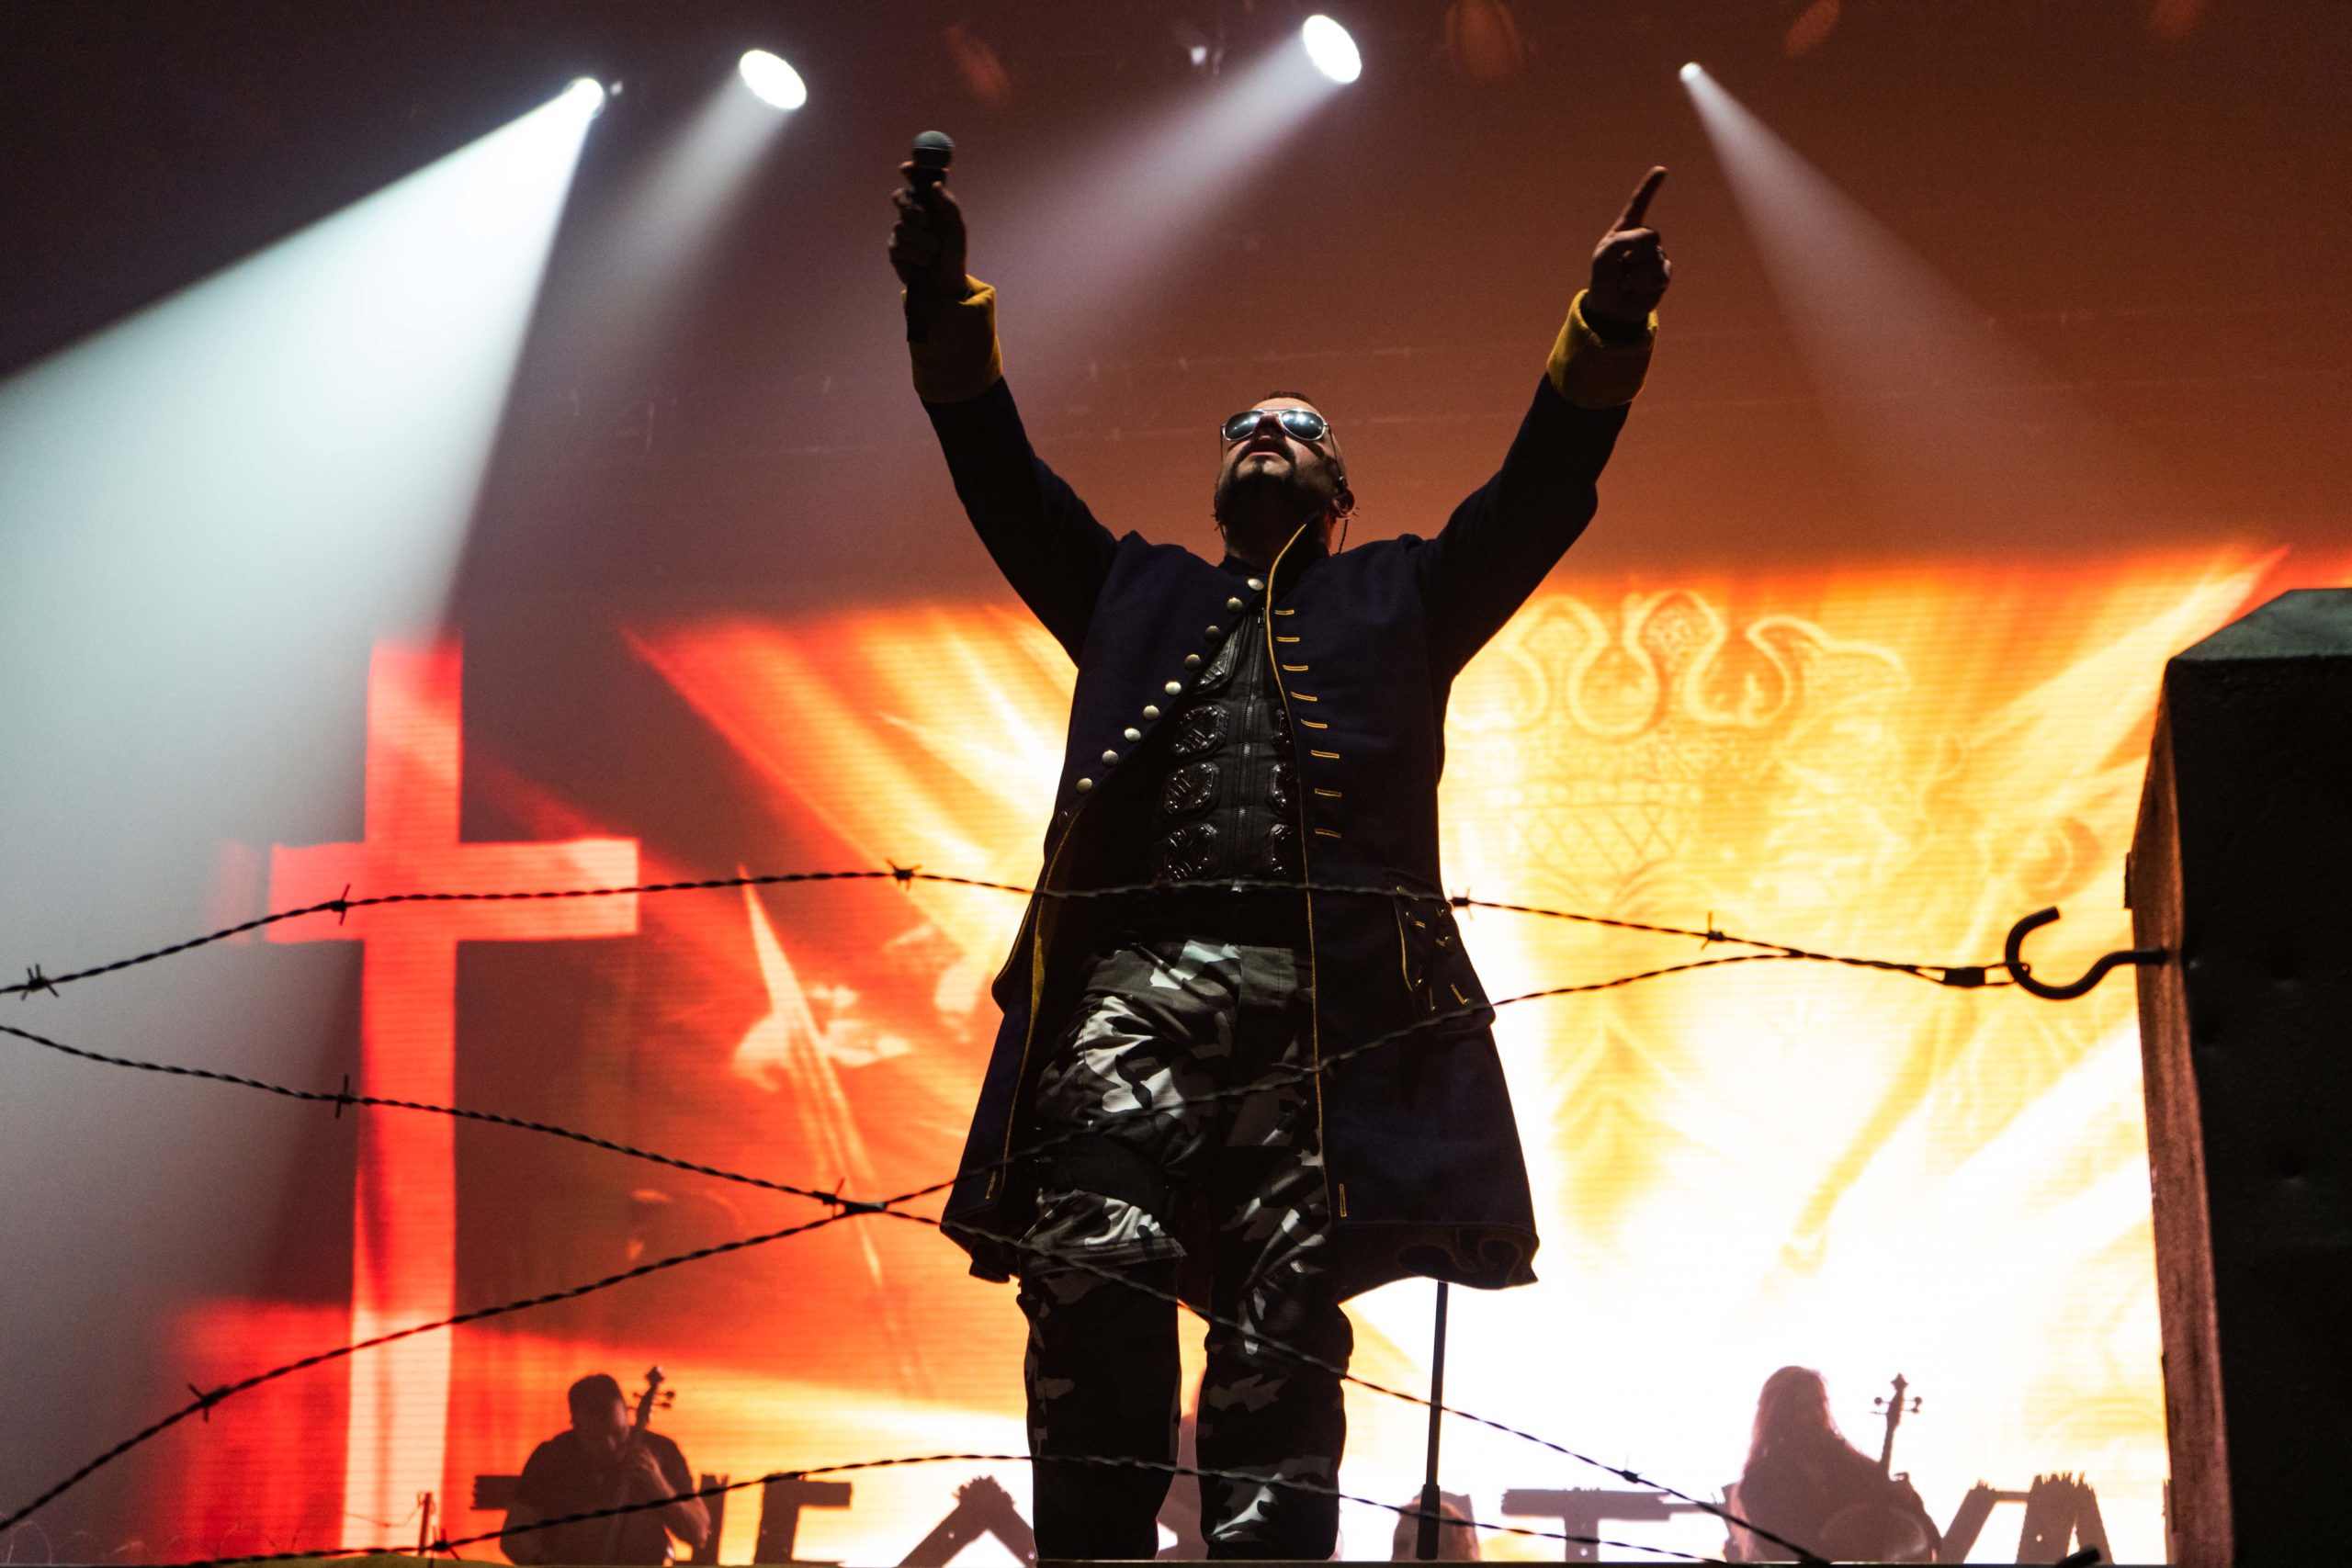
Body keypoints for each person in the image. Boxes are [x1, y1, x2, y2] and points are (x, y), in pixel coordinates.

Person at [888, 152, 1670, 1560]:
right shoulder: (1132, 585)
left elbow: (1537, 491)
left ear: (1338, 487)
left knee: (1285, 1308)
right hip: (1134, 982)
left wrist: (1604, 332)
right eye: (1243, 426)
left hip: (1325, 1010)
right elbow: (999, 478)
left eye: (1297, 428)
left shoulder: (1403, 592)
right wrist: (945, 304)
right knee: (1090, 1254)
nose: (1265, 433)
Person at [1727, 1367, 1939, 1563]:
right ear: (1781, 1417)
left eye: (1819, 1403)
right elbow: (1783, 1549)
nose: (1817, 1415)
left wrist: (1907, 1498)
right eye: (1804, 1408)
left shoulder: (1853, 1466)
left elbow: (1923, 1530)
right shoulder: (1761, 1483)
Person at [501, 1373, 709, 1565]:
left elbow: (698, 1533)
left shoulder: (661, 1451)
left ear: (627, 1414)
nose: (610, 1446)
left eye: (618, 1433)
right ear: (575, 1425)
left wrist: (657, 1483)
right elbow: (513, 1537)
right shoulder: (551, 1456)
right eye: (595, 1439)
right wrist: (545, 1563)